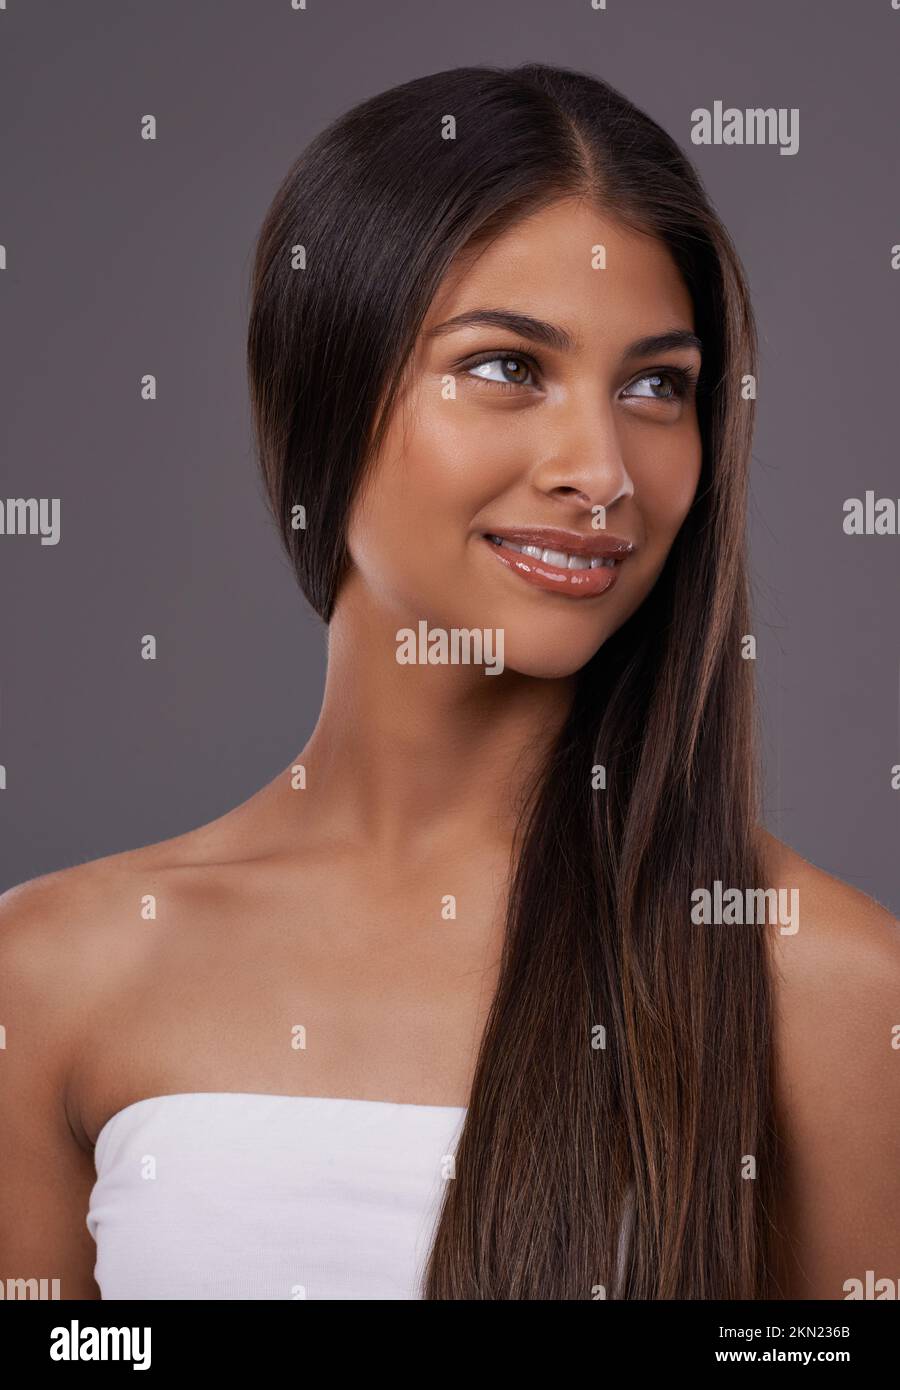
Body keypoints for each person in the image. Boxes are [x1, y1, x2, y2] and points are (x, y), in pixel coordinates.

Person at [1, 62, 897, 1301]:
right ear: (325, 381)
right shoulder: (50, 970)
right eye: (507, 366)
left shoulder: (824, 984)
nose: (602, 470)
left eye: (656, 386)